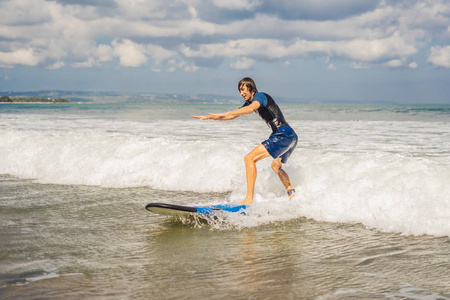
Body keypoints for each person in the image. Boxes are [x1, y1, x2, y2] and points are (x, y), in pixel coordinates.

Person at [192, 77, 298, 205]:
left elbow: (250, 109)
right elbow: (233, 116)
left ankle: (249, 199)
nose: (241, 93)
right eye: (239, 91)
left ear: (251, 88)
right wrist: (212, 117)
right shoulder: (249, 102)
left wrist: (226, 112)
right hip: (291, 136)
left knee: (249, 158)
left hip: (282, 134)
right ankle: (292, 194)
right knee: (276, 166)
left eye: (243, 90)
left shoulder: (260, 96)